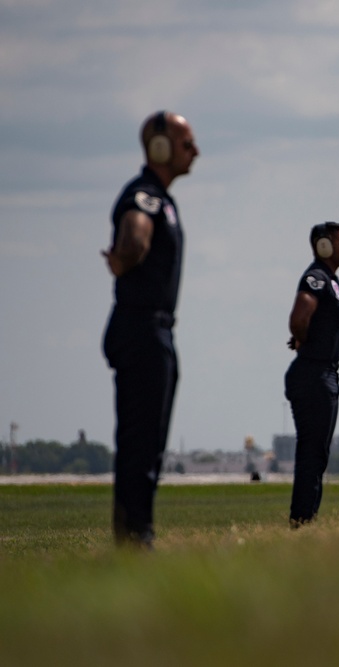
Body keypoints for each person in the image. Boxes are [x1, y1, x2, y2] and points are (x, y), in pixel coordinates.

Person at [101, 111, 199, 549]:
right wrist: (127, 255)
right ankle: (134, 535)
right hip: (143, 329)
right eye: (185, 143)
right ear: (160, 148)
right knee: (142, 440)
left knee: (149, 440)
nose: (194, 151)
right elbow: (135, 236)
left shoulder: (160, 197)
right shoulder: (146, 197)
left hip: (152, 330)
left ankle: (136, 531)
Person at [284, 222, 339, 527]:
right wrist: (302, 340)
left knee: (317, 453)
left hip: (324, 373)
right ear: (324, 246)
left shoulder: (331, 280)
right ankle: (301, 520)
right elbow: (299, 317)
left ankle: (306, 518)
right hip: (313, 373)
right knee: (312, 452)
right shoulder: (316, 278)